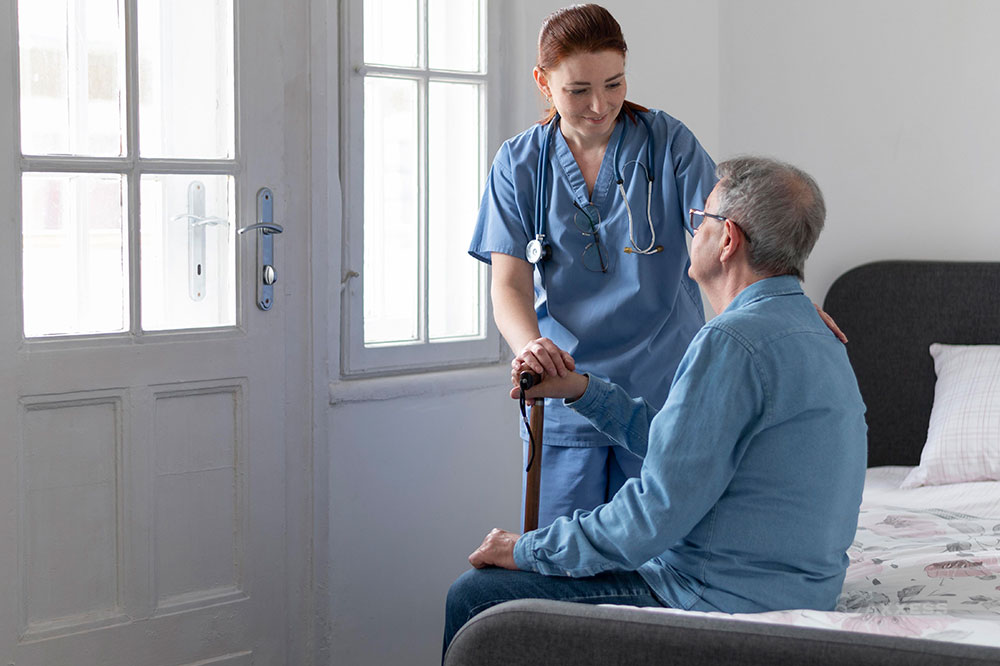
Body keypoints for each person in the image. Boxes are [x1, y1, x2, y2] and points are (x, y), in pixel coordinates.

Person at [444, 156, 868, 655]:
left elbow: (651, 518)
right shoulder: (820, 334)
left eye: (700, 219)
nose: (693, 232)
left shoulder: (732, 341)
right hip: (799, 592)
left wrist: (527, 548)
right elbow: (686, 449)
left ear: (728, 239)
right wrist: (584, 392)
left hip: (718, 601)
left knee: (473, 597)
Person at [468, 4, 718, 529]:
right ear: (543, 82)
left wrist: (782, 304)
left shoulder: (668, 143)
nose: (600, 105)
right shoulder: (518, 164)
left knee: (657, 571)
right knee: (559, 570)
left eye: (614, 83)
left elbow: (725, 245)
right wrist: (528, 346)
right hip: (563, 390)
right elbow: (508, 285)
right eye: (578, 90)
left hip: (660, 393)